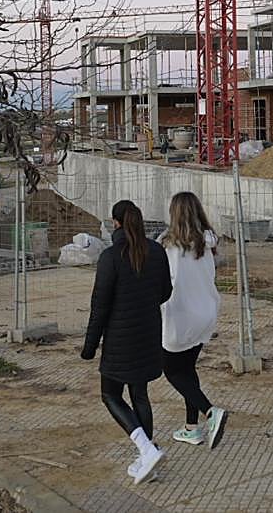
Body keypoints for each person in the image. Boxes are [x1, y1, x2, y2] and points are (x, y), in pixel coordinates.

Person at [81, 200, 173, 484]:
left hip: (121, 340)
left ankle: (146, 449)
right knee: (140, 394)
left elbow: (100, 307)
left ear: (116, 223)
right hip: (148, 333)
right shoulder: (156, 251)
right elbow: (166, 291)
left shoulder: (110, 257)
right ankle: (148, 459)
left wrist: (89, 346)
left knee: (110, 395)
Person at [159, 191, 227, 449]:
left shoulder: (171, 247)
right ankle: (191, 428)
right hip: (206, 313)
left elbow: (170, 281)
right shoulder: (206, 244)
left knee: (171, 370)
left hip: (180, 316)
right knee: (187, 369)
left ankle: (210, 412)